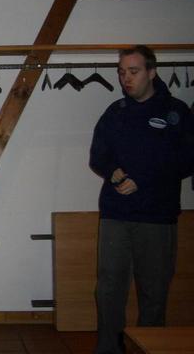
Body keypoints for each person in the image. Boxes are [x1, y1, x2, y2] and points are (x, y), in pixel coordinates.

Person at [89, 45, 194, 354]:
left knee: (154, 292)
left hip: (157, 217)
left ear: (151, 72)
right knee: (108, 289)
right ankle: (108, 349)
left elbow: (187, 160)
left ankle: (148, 348)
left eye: (133, 72)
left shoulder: (176, 112)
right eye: (122, 72)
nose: (126, 78)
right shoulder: (115, 112)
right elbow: (98, 155)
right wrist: (114, 172)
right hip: (115, 215)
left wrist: (143, 178)